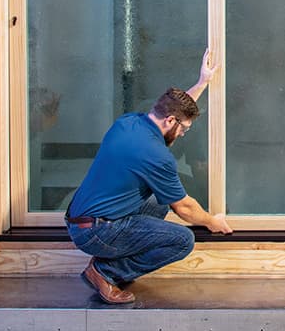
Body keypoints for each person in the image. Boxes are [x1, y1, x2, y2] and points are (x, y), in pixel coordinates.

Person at [65, 49, 233, 304]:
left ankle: (113, 259)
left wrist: (202, 83)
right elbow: (185, 208)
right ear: (169, 121)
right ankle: (104, 272)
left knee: (159, 202)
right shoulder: (156, 156)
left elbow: (177, 113)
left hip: (81, 219)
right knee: (182, 240)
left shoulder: (129, 122)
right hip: (97, 231)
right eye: (183, 129)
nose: (183, 135)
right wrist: (212, 222)